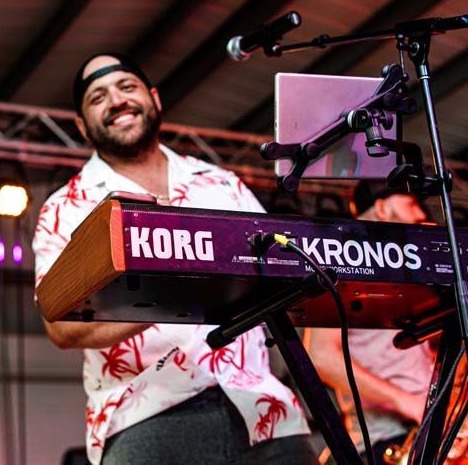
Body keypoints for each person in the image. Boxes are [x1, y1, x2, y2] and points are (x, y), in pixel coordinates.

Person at [32, 53, 316, 465]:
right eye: (98, 97)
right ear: (81, 126)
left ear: (154, 98)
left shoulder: (220, 184)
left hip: (262, 409)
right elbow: (59, 325)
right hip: (146, 416)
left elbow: (274, 273)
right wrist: (184, 294)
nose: (116, 100)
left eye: (127, 87)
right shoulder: (66, 208)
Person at [304, 182, 435, 464]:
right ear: (382, 208)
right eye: (411, 203)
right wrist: (404, 400)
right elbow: (320, 356)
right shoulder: (340, 263)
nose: (420, 213)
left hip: (424, 429)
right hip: (386, 442)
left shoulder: (401, 269)